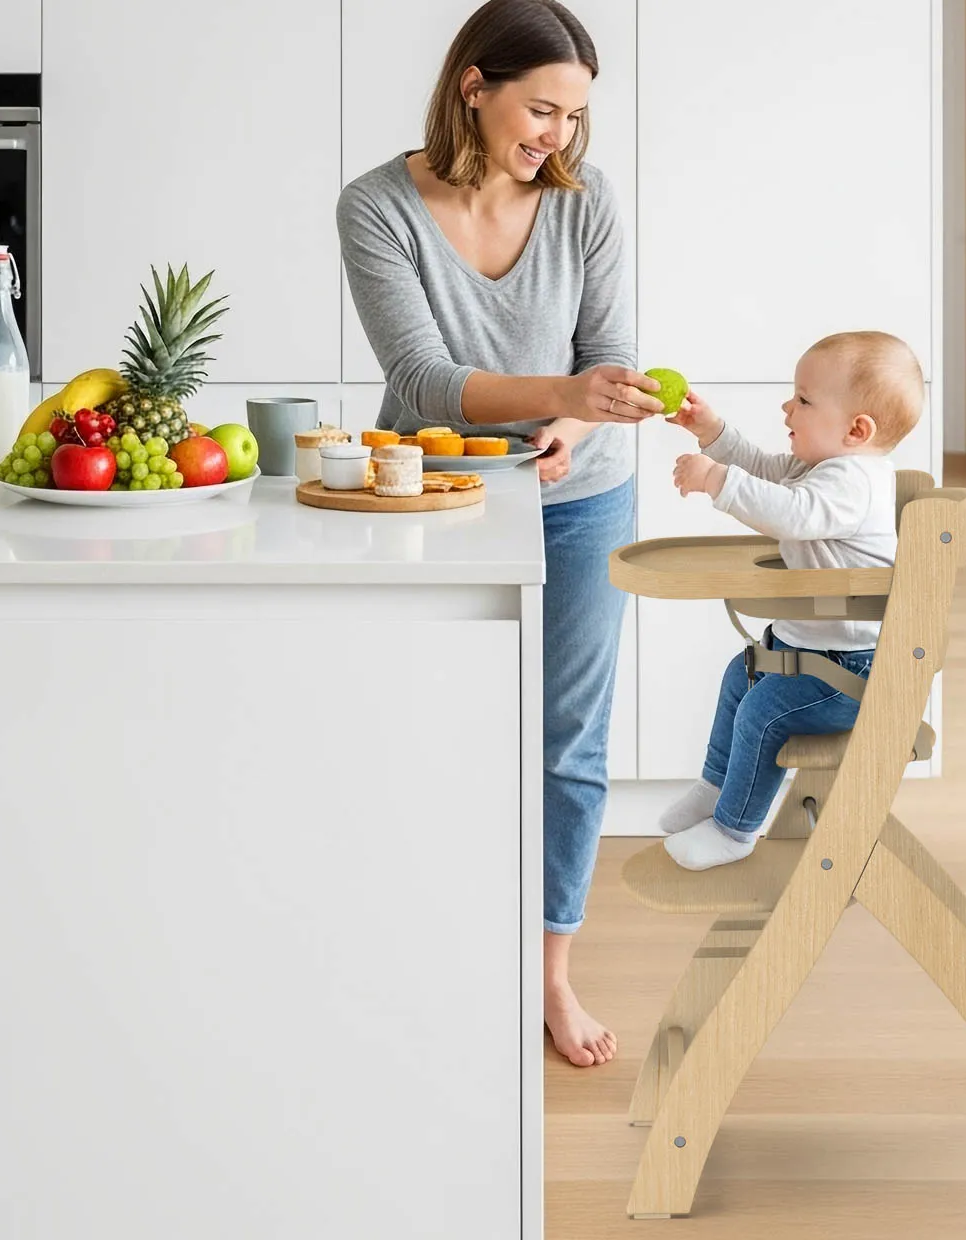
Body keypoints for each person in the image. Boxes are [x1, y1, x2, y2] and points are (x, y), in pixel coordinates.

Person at [336, 0, 665, 1067]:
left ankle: (547, 976)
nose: (555, 137)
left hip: (580, 496)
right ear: (473, 85)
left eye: (572, 117)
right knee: (422, 730)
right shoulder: (376, 207)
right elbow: (423, 380)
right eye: (539, 109)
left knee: (566, 742)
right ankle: (421, 948)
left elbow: (609, 353)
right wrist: (559, 389)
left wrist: (573, 414)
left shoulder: (585, 202)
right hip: (426, 491)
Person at [660, 330, 925, 872]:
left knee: (763, 710)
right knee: (741, 677)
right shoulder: (826, 469)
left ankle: (736, 830)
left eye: (804, 400)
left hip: (850, 672)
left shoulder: (852, 483)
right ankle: (716, 790)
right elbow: (766, 472)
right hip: (811, 654)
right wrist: (712, 434)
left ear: (857, 429)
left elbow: (789, 512)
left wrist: (714, 481)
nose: (788, 406)